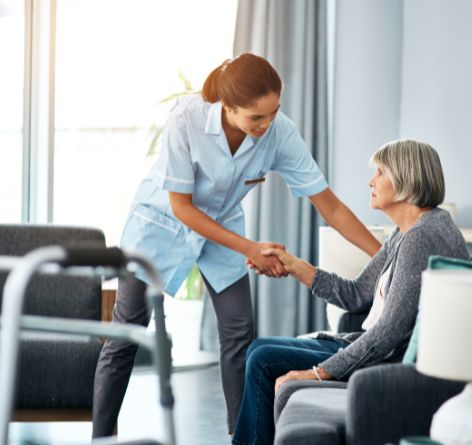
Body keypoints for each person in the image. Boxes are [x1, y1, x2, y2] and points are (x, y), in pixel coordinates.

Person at [92, 53, 381, 437]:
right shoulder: (186, 118)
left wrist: (385, 255)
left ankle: (240, 435)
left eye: (274, 112)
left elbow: (329, 205)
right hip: (161, 225)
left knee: (239, 331)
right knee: (128, 329)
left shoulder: (279, 131)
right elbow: (182, 206)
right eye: (256, 118)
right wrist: (249, 248)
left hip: (224, 227)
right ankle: (101, 435)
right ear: (227, 107)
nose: (267, 124)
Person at [232, 140, 470, 445]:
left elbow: (388, 333)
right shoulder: (406, 232)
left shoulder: (421, 238)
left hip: (382, 362)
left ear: (406, 179)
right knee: (258, 350)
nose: (371, 181)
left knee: (263, 357)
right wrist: (296, 266)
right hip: (363, 345)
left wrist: (319, 373)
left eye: (380, 173)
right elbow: (357, 293)